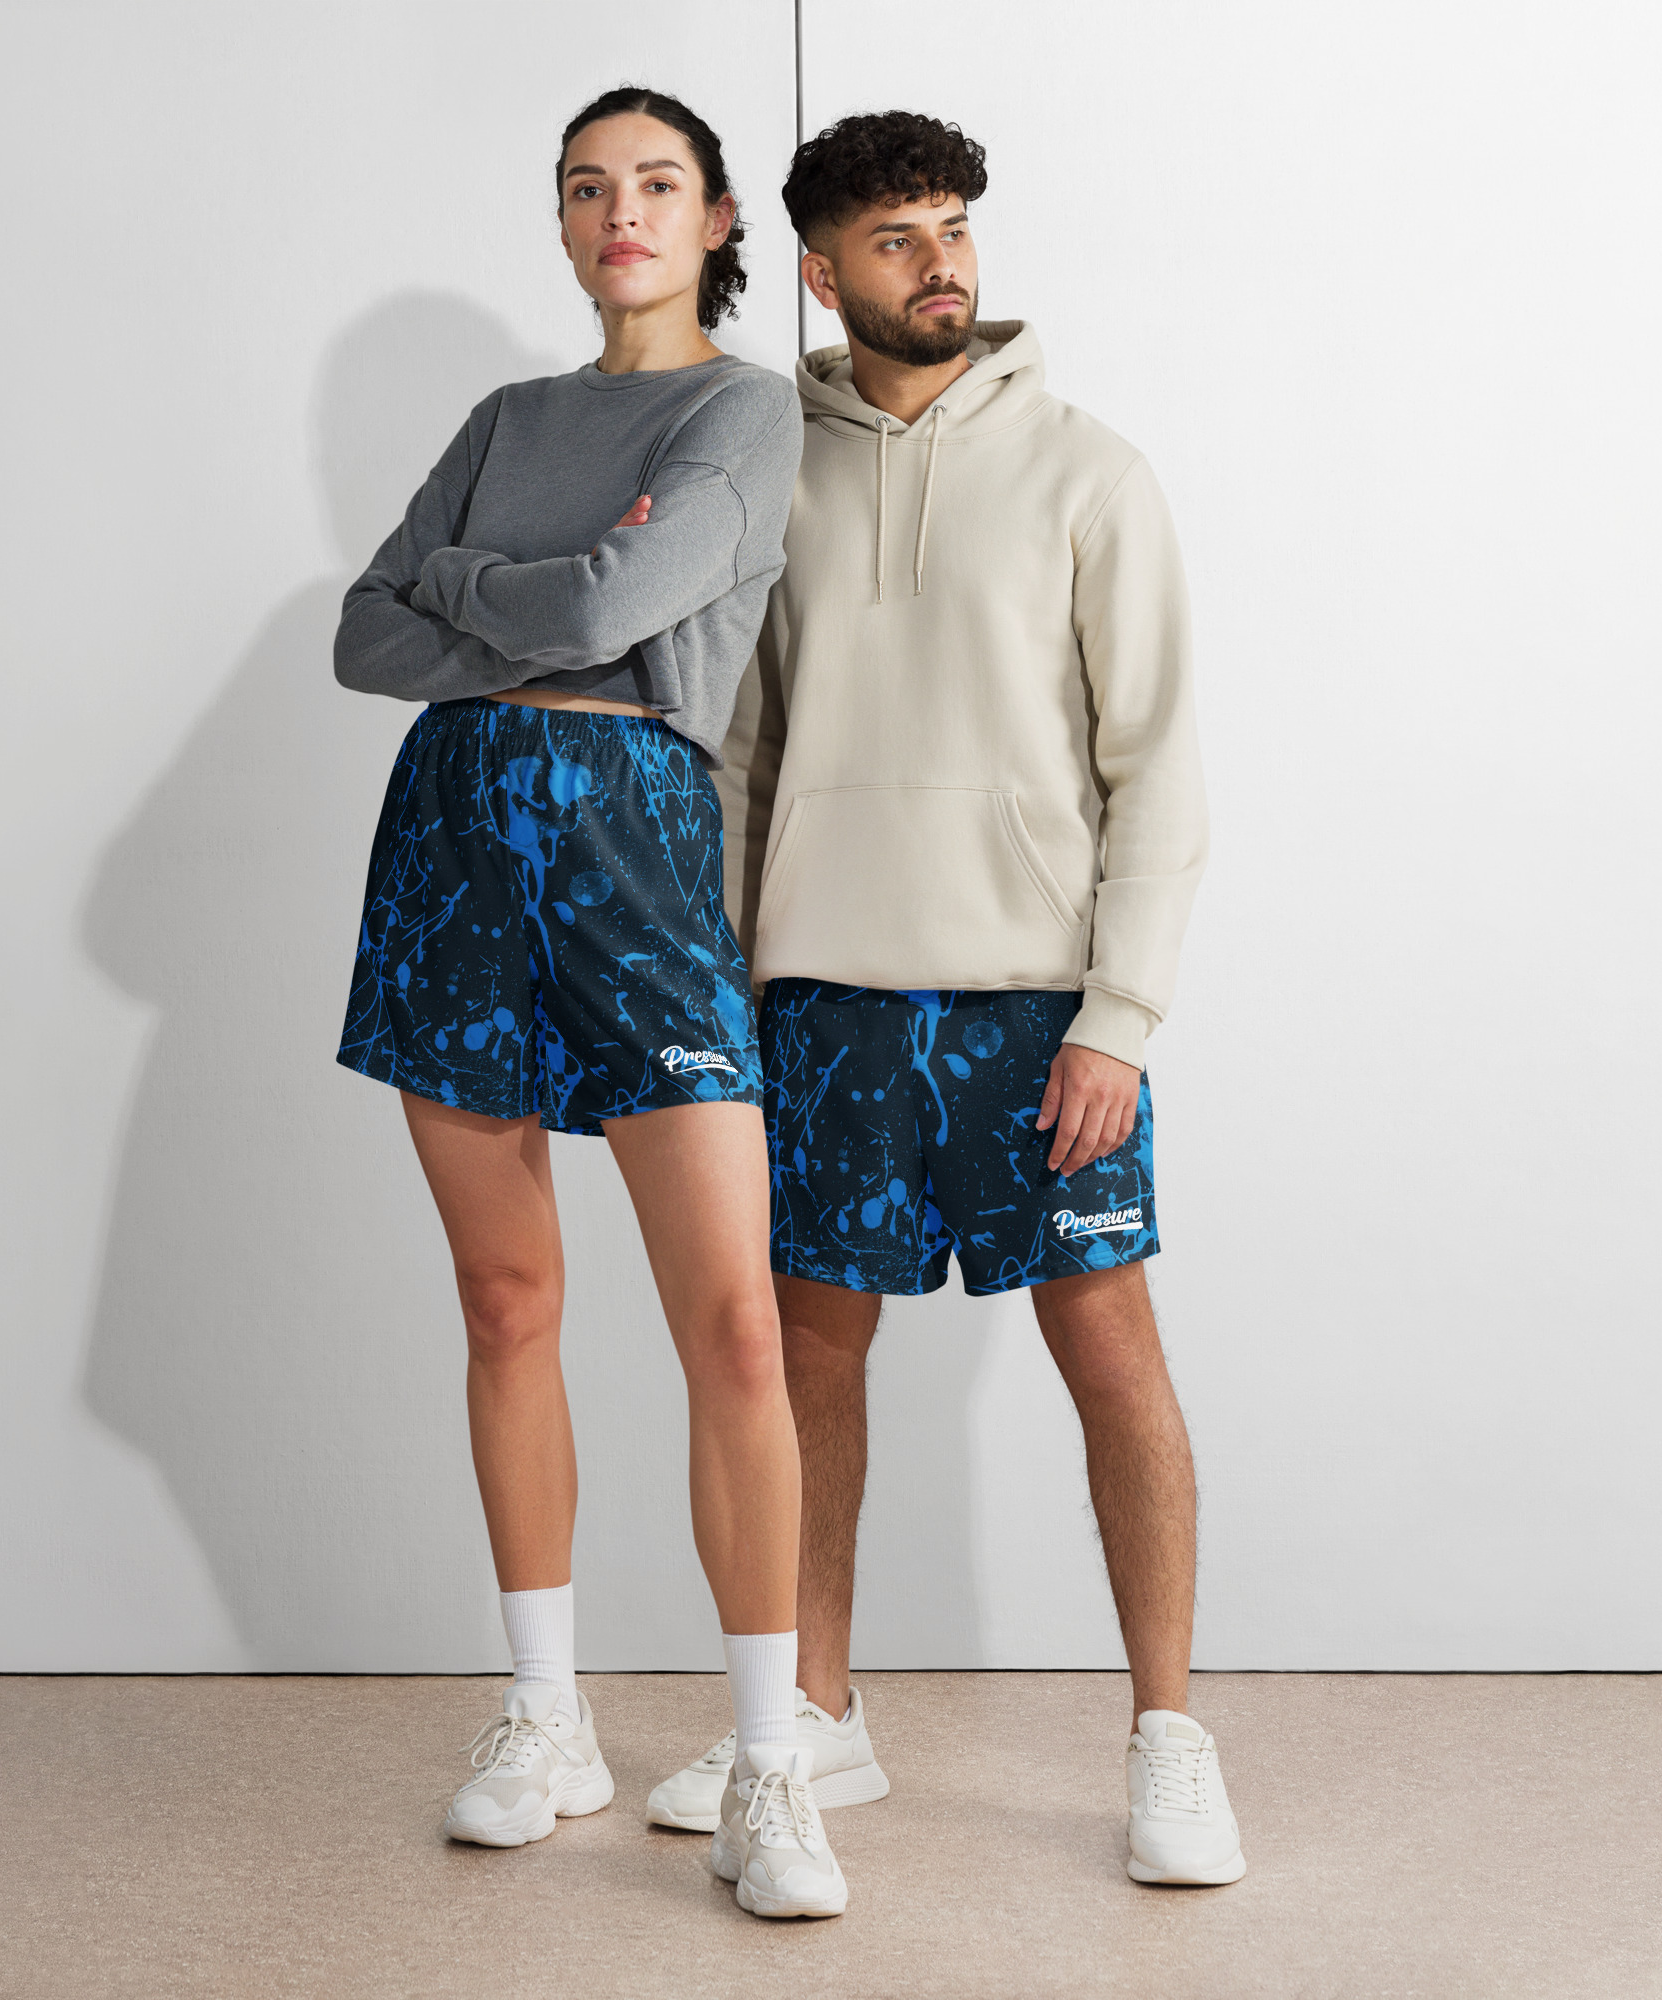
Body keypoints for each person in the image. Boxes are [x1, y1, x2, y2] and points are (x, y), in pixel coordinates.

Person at [648, 110, 1245, 1888]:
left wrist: (1119, 1018)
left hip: (1035, 1010)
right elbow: (738, 761)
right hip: (822, 1000)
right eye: (898, 239)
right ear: (819, 272)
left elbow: (1158, 769)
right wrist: (726, 992)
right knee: (809, 1358)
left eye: (956, 228)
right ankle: (817, 1714)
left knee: (1110, 1352)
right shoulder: (772, 472)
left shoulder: (1089, 473)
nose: (943, 265)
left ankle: (1168, 1737)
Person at [332, 86, 846, 1919]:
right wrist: (528, 599)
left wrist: (470, 589)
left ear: (716, 221)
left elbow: (622, 598)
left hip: (637, 841)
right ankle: (546, 1717)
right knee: (505, 1299)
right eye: (584, 188)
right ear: (559, 224)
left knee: (734, 1328)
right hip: (454, 841)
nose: (617, 211)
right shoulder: (507, 418)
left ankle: (772, 1763)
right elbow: (360, 631)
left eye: (654, 184)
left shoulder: (742, 411)